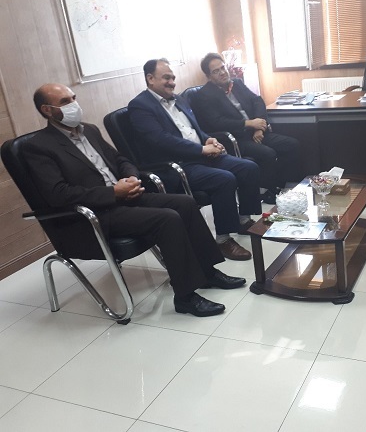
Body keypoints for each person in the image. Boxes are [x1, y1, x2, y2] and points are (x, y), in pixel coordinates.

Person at [23, 83, 247, 317]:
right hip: (94, 214)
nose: (74, 105)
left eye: (73, 98)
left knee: (185, 203)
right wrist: (113, 192)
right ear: (47, 110)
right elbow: (58, 194)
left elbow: (120, 159)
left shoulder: (88, 130)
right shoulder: (38, 147)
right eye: (65, 102)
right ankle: (186, 297)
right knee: (168, 219)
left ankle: (207, 272)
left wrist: (130, 177)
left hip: (124, 197)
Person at [128, 58, 263, 261]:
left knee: (248, 167)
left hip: (200, 155)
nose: (172, 82)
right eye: (166, 78)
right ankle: (223, 240)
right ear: (150, 78)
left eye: (173, 77)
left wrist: (207, 139)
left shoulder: (179, 99)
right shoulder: (140, 106)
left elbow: (193, 129)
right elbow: (161, 140)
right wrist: (201, 149)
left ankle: (243, 221)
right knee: (224, 179)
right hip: (176, 166)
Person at [191, 52, 301, 204]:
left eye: (223, 68)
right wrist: (248, 124)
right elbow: (216, 122)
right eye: (216, 71)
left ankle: (280, 186)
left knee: (291, 144)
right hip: (235, 139)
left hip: (255, 132)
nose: (222, 72)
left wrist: (259, 127)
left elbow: (257, 101)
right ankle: (266, 192)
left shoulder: (237, 83)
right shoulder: (204, 95)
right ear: (209, 76)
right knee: (268, 153)